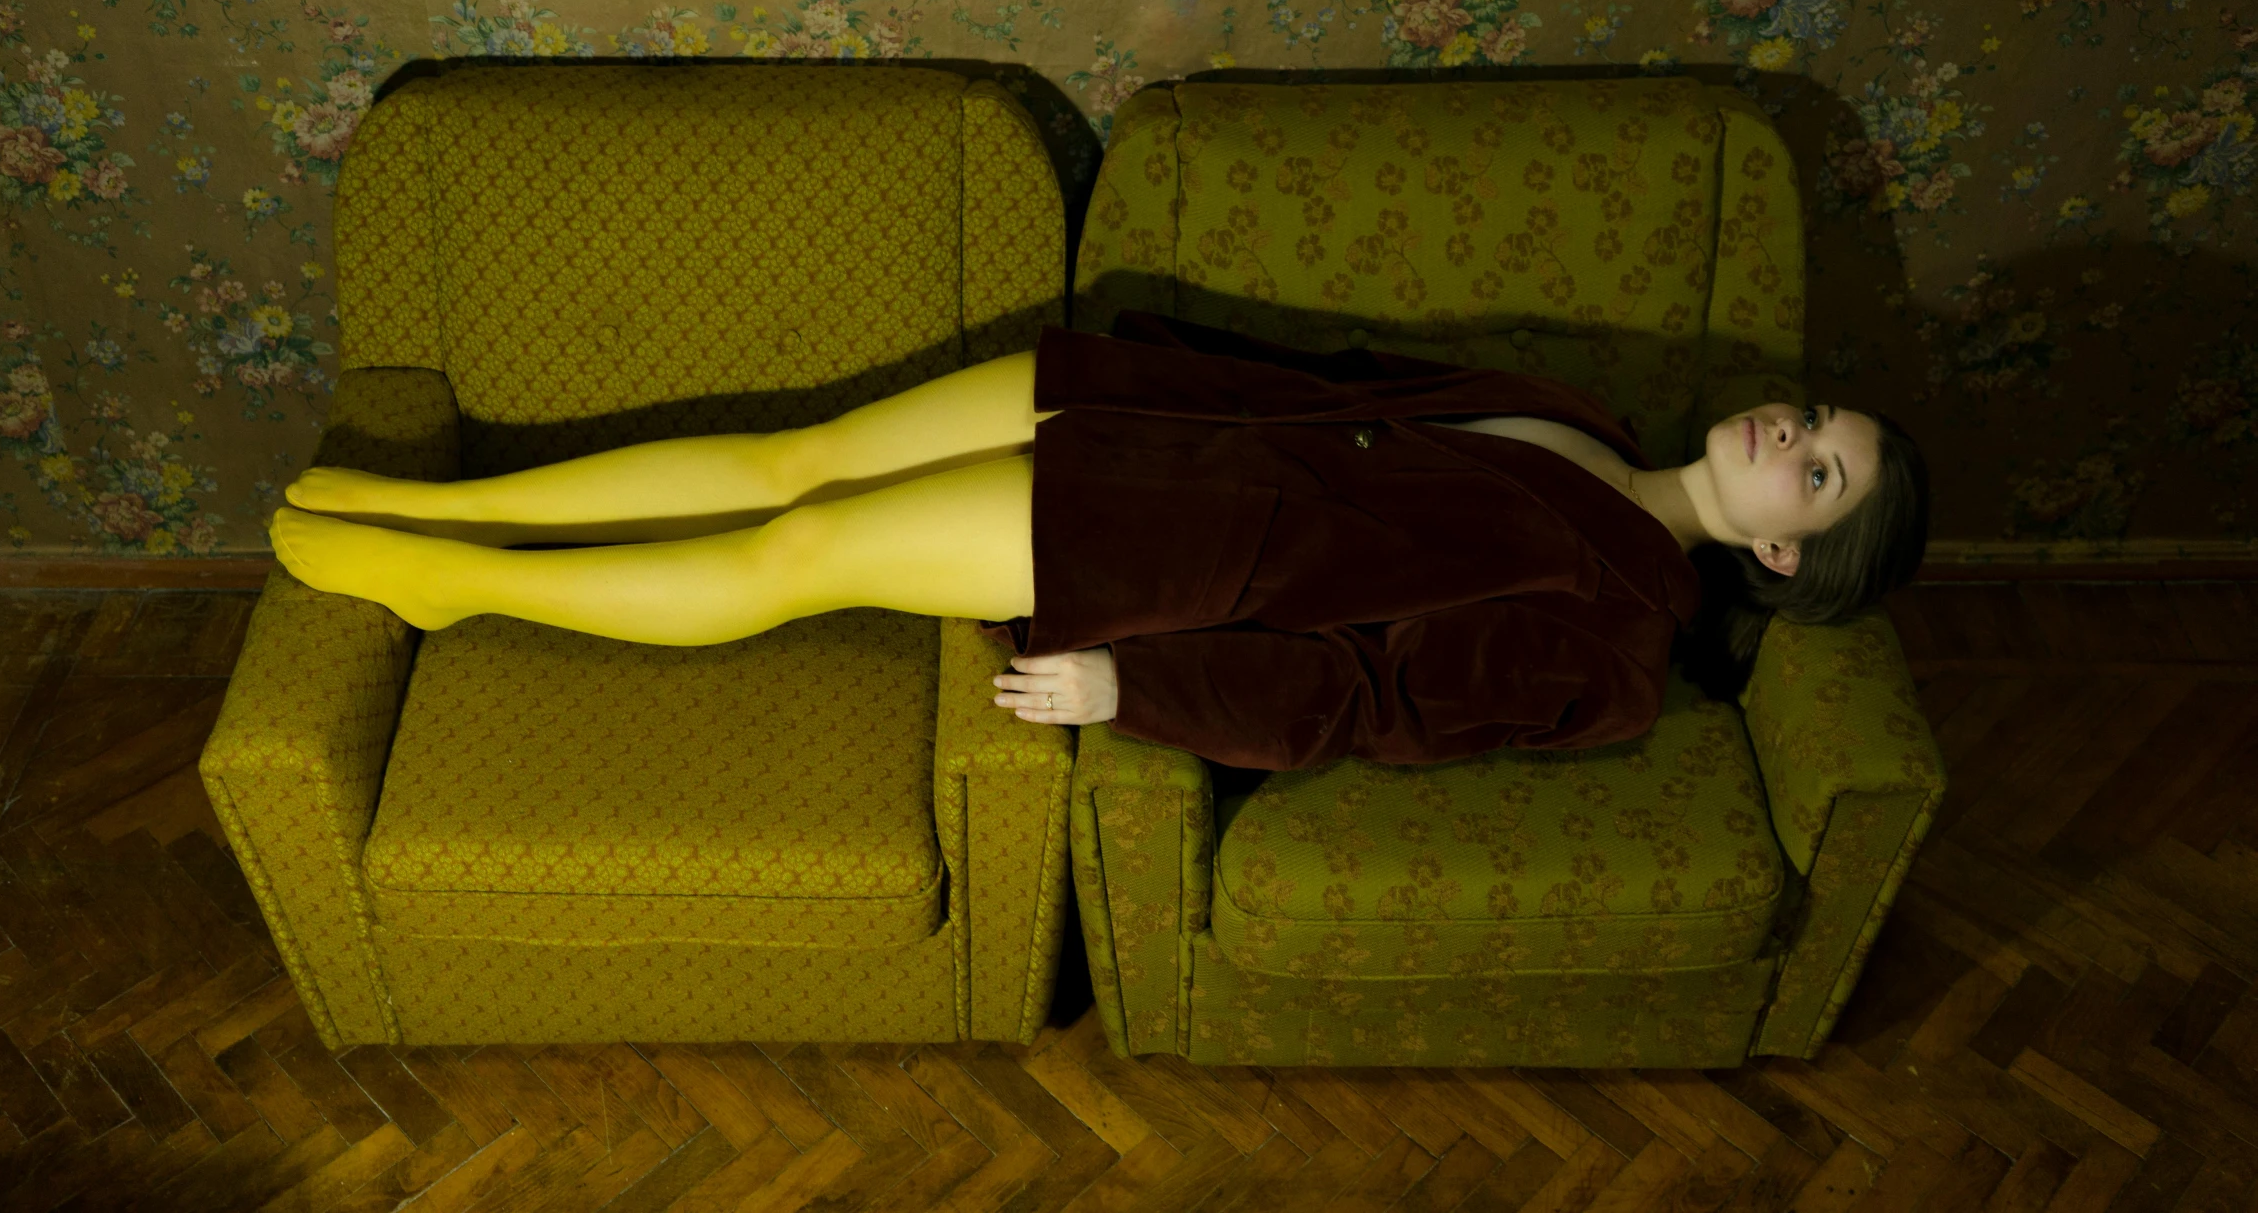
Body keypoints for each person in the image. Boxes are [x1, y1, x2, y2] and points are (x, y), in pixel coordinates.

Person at [270, 310, 1930, 767]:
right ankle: (443, 503)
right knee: (802, 455)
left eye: (1818, 474)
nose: (1789, 437)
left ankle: (452, 587)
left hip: (1161, 544)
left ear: (1788, 558)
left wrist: (1132, 692)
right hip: (1149, 410)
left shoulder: (1615, 643)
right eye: (1810, 421)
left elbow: (1376, 707)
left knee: (804, 554)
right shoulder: (1581, 414)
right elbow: (1345, 398)